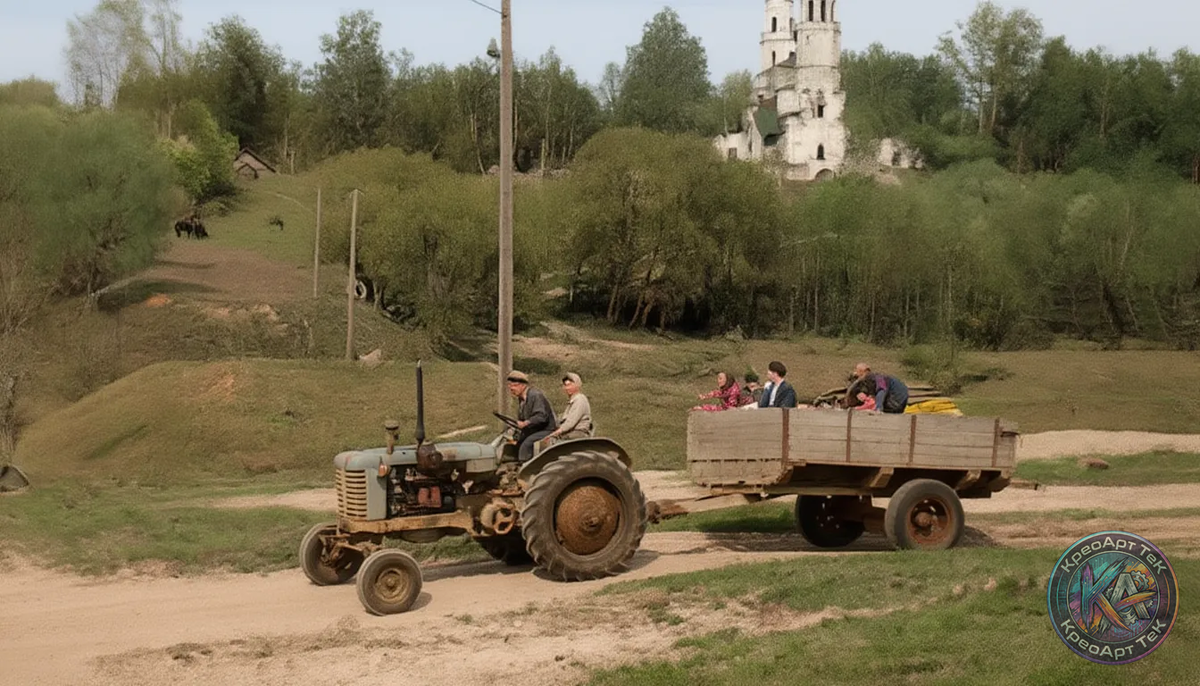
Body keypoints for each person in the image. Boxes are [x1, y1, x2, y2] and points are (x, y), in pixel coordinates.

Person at [506, 370, 556, 461]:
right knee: (515, 443)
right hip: (533, 430)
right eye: (510, 386)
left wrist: (526, 423)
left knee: (526, 445)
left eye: (514, 385)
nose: (511, 389)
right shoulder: (522, 399)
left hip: (546, 430)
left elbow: (541, 416)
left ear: (523, 385)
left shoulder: (535, 395)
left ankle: (525, 468)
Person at [547, 372, 592, 443]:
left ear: (577, 385)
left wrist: (558, 432)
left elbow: (571, 422)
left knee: (550, 442)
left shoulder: (580, 399)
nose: (567, 388)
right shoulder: (573, 400)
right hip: (570, 432)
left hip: (577, 433)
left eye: (570, 385)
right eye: (565, 385)